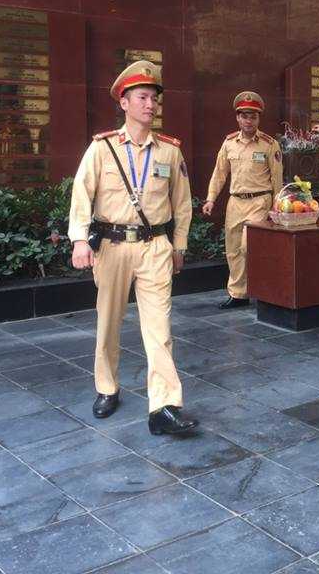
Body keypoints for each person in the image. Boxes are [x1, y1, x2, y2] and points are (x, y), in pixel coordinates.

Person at [68, 60, 197, 436]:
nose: (150, 105)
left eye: (154, 98)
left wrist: (179, 246)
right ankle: (107, 387)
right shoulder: (103, 148)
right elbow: (82, 193)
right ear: (124, 102)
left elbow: (183, 204)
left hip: (155, 246)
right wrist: (79, 238)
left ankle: (164, 405)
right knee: (108, 322)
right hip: (111, 246)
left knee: (160, 327)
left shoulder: (170, 151)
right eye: (142, 97)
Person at [201, 91, 283, 310]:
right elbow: (219, 174)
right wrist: (211, 199)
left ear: (259, 119)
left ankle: (264, 287)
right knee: (234, 249)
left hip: (260, 201)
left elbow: (277, 178)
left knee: (249, 246)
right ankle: (239, 294)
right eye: (245, 116)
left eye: (253, 116)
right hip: (235, 202)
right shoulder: (229, 143)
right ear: (238, 118)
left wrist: (277, 206)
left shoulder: (269, 144)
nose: (249, 120)